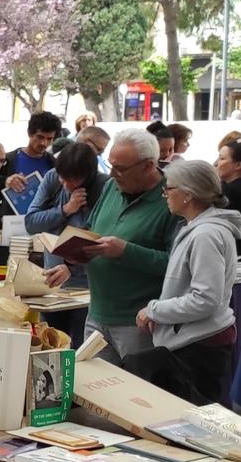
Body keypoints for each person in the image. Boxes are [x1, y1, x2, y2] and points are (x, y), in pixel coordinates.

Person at [44, 129, 179, 365]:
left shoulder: (173, 199)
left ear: (148, 166)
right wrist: (71, 260)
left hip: (138, 321)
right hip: (97, 313)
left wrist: (126, 251)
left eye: (121, 168)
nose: (113, 173)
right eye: (110, 164)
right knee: (95, 392)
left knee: (134, 395)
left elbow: (177, 266)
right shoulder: (111, 187)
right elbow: (90, 229)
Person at [121, 159, 239, 405]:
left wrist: (155, 310)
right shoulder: (197, 229)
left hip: (199, 343)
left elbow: (206, 299)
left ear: (188, 194)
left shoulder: (205, 234)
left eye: (169, 189)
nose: (165, 194)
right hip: (194, 338)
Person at [25, 141, 109, 289]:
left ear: (87, 177)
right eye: (63, 180)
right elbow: (31, 223)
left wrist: (72, 269)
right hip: (52, 277)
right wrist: (65, 209)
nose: (67, 186)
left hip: (88, 283)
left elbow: (105, 243)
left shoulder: (105, 187)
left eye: (73, 181)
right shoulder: (52, 177)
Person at [3, 113, 60, 214]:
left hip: (42, 220)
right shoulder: (8, 160)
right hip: (12, 221)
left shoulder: (55, 164)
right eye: (40, 137)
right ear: (30, 133)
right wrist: (6, 181)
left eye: (49, 139)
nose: (44, 143)